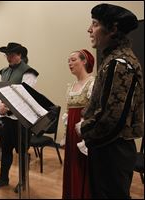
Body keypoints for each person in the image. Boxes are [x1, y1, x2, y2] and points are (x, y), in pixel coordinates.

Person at [76, 3, 144, 198]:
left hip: (112, 149)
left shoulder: (119, 63)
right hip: (111, 147)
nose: (89, 29)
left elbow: (111, 119)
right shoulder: (114, 59)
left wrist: (84, 128)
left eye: (95, 24)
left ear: (113, 29)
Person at [0, 42, 39, 193]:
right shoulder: (3, 71)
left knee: (22, 152)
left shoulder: (29, 72)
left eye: (11, 54)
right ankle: (3, 178)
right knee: (5, 149)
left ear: (20, 55)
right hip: (6, 120)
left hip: (21, 121)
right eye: (7, 55)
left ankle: (23, 181)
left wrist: (8, 107)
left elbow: (25, 95)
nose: (8, 57)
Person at [62, 49, 95, 199]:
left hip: (84, 133)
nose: (69, 63)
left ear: (84, 61)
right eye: (68, 60)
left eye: (73, 59)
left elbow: (94, 111)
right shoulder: (71, 86)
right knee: (72, 165)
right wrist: (65, 134)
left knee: (83, 167)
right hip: (71, 132)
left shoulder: (92, 83)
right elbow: (69, 113)